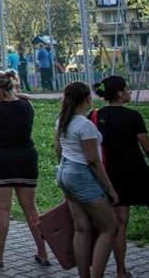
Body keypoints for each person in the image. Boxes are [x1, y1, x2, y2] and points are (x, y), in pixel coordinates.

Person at [93, 76, 149, 278]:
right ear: (119, 93)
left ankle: (121, 271)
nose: (130, 92)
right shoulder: (133, 116)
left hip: (112, 176)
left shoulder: (95, 115)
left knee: (120, 222)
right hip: (138, 173)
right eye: (127, 89)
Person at [0, 70, 50, 269]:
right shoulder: (27, 105)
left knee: (2, 208)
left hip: (1, 159)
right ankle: (43, 253)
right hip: (26, 158)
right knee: (31, 208)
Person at [56, 81, 118, 278]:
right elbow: (93, 160)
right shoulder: (85, 125)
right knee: (110, 227)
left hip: (65, 172)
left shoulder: (62, 121)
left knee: (81, 228)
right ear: (87, 99)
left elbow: (58, 149)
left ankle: (84, 275)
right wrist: (110, 189)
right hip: (81, 175)